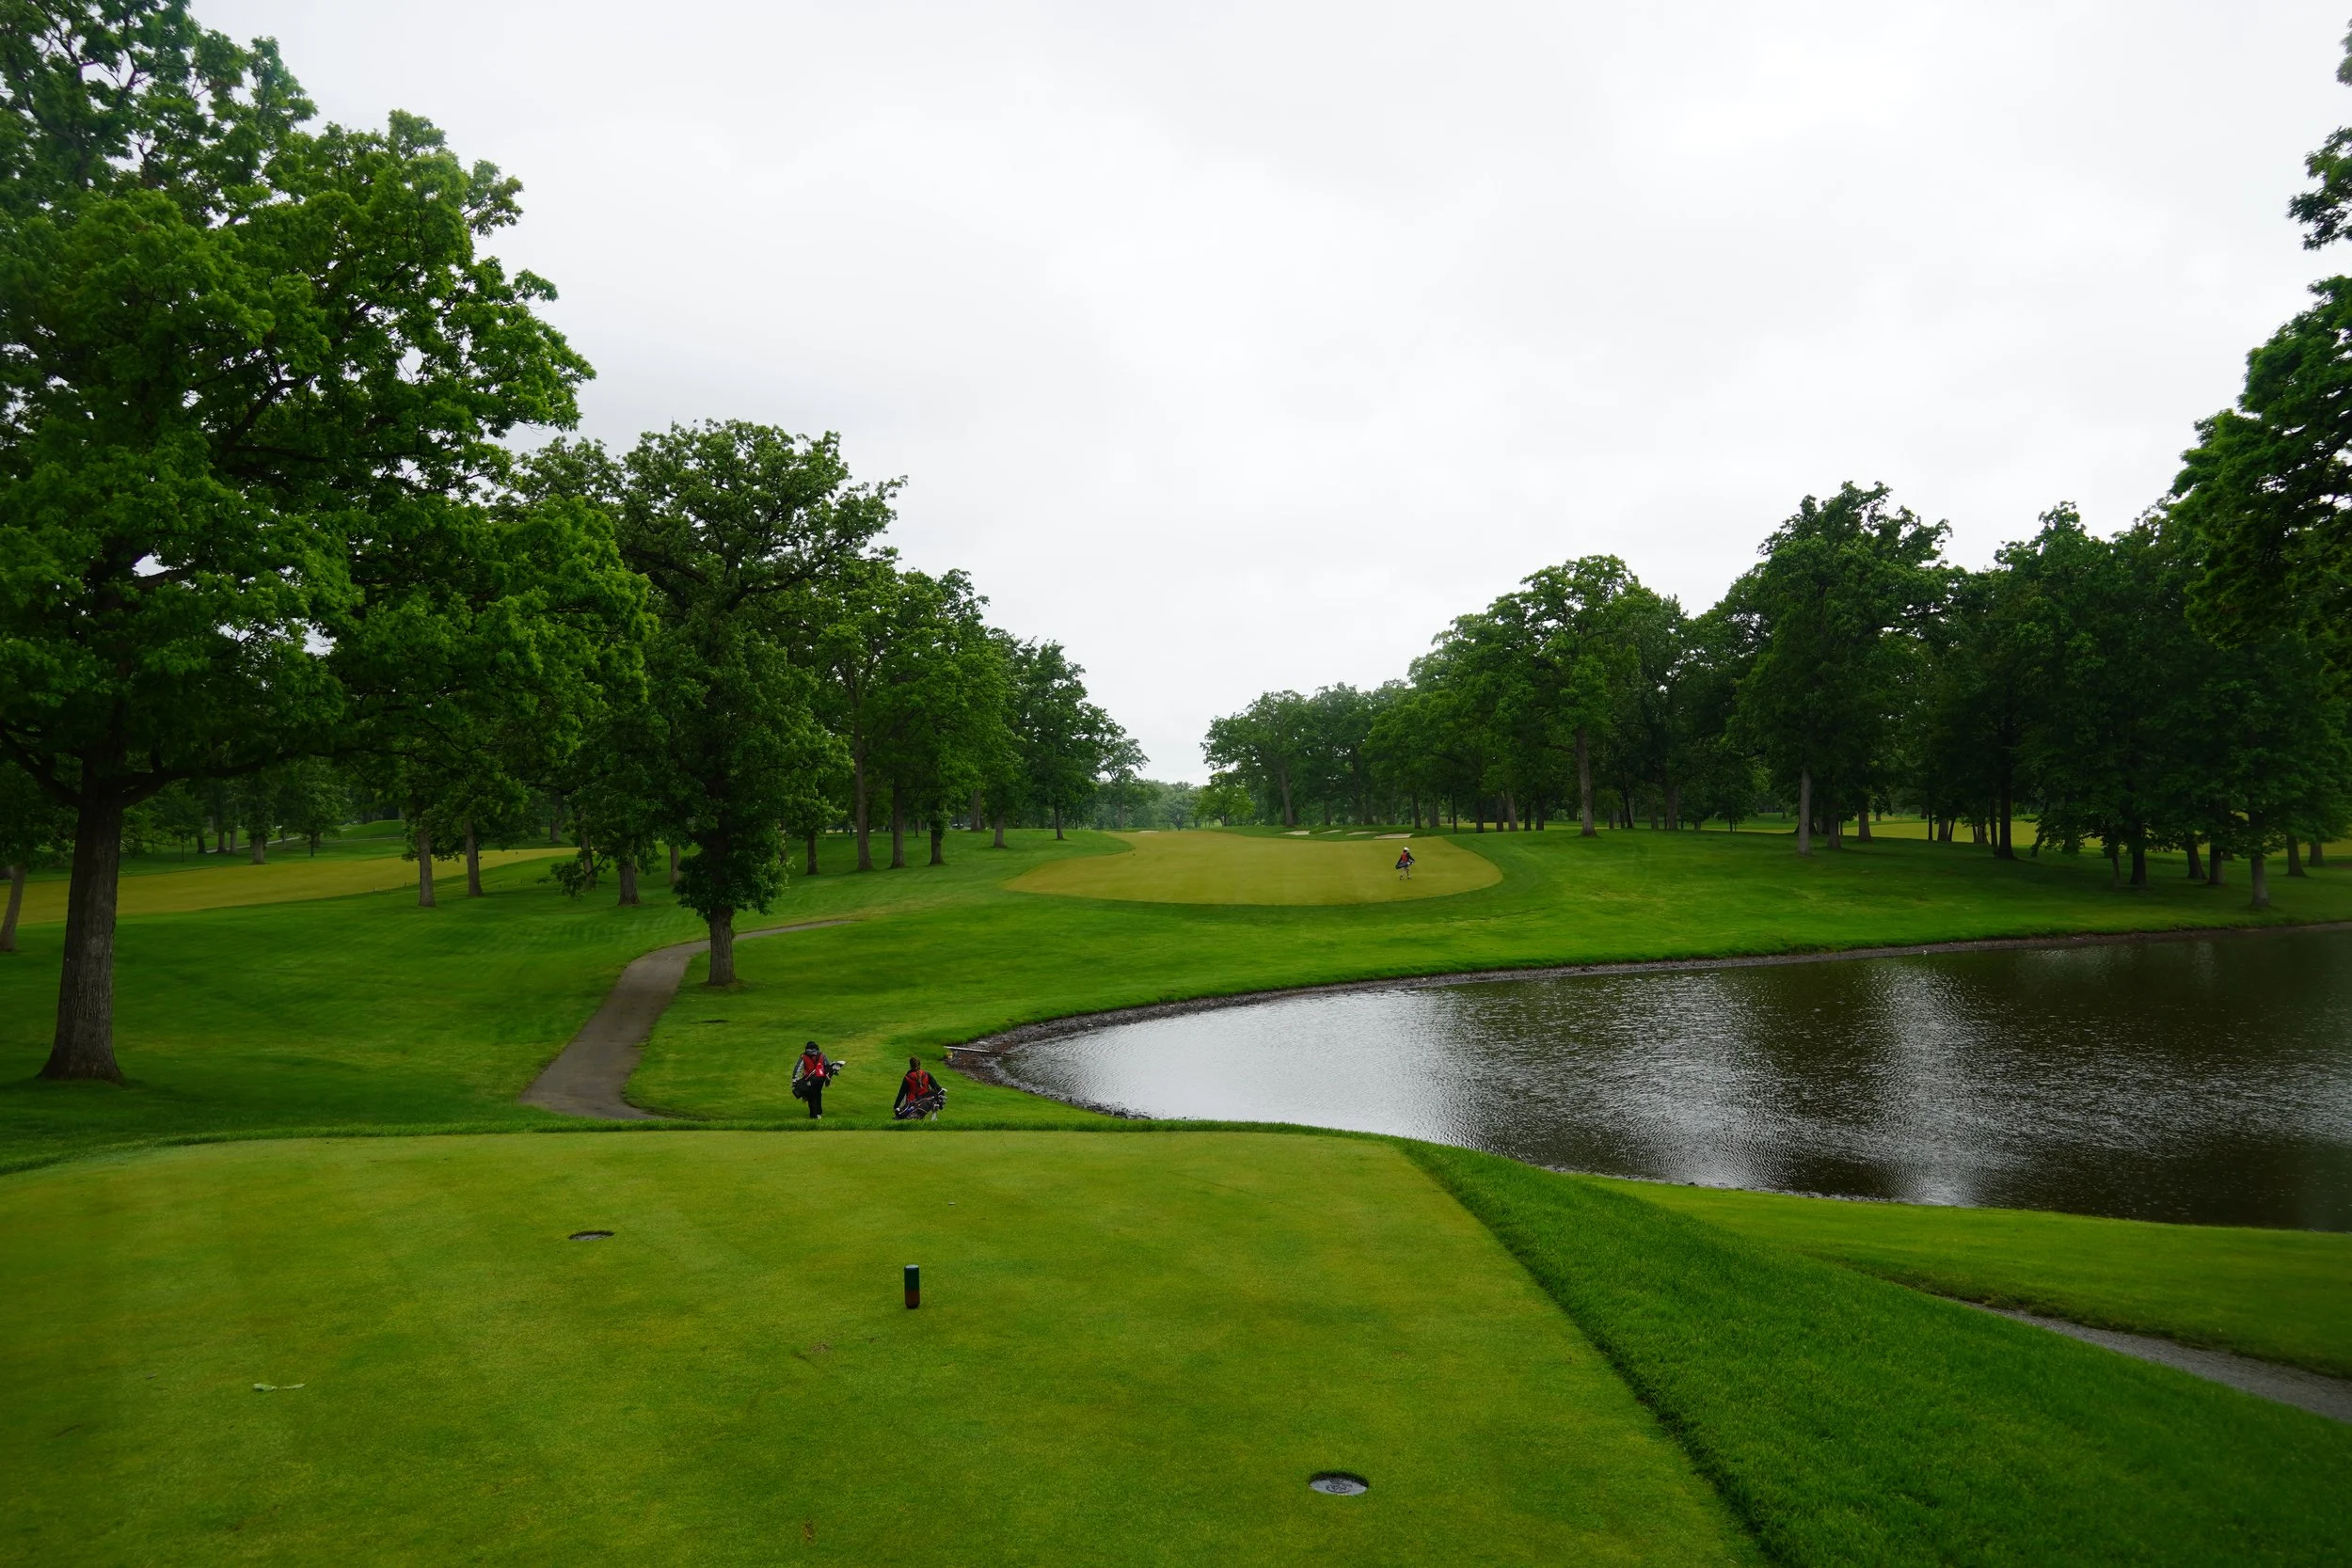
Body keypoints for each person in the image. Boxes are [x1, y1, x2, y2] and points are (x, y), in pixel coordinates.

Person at [791, 1040, 835, 1119]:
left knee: (811, 1096)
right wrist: (828, 1077)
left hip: (809, 1079)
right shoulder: (822, 1055)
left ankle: (814, 1115)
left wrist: (795, 1079)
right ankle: (818, 1112)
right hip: (820, 1079)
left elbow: (797, 1068)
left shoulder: (803, 1056)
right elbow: (828, 1067)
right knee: (818, 1093)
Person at [895, 1056, 946, 1121]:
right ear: (919, 1064)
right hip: (926, 1103)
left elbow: (901, 1094)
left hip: (912, 1104)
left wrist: (895, 1106)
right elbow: (937, 1088)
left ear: (910, 1065)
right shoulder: (927, 1074)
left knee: (904, 1116)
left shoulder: (907, 1077)